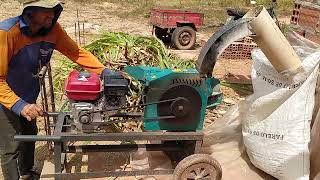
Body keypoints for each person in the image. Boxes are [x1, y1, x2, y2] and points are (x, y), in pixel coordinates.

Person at [0, 0, 112, 179]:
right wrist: (19, 105)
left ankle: (27, 173)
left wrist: (104, 71)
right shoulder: (6, 33)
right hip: (5, 98)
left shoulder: (53, 30)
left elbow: (76, 52)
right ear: (30, 12)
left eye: (54, 10)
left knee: (30, 133)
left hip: (29, 94)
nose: (51, 15)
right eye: (46, 10)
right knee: (11, 145)